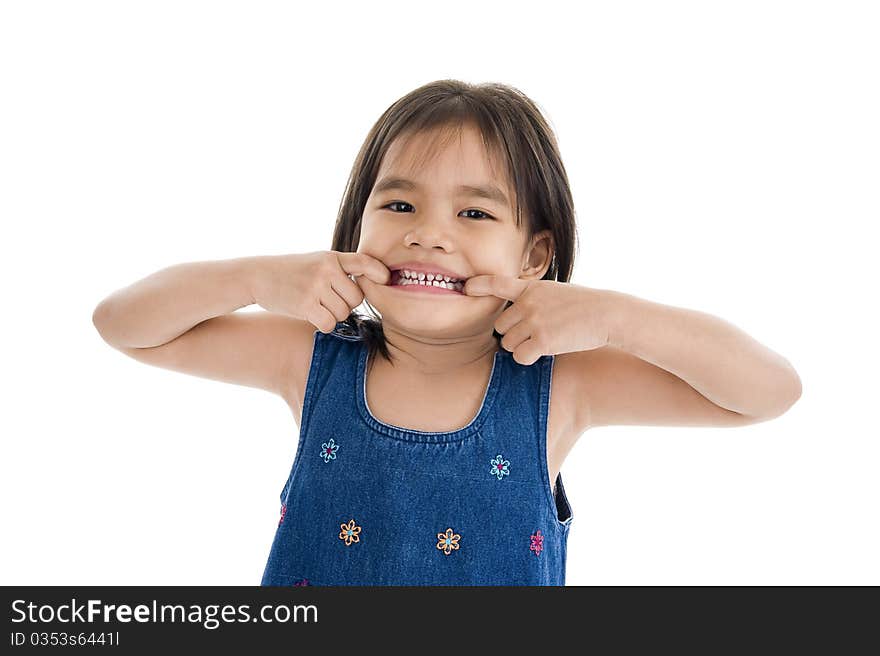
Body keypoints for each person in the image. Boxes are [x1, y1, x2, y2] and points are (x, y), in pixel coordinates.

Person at [92, 79, 802, 586]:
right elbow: (124, 325)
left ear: (533, 259)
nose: (428, 235)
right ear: (355, 234)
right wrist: (253, 279)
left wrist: (614, 317)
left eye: (475, 215)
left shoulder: (561, 386)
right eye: (400, 203)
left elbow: (767, 392)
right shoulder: (309, 360)